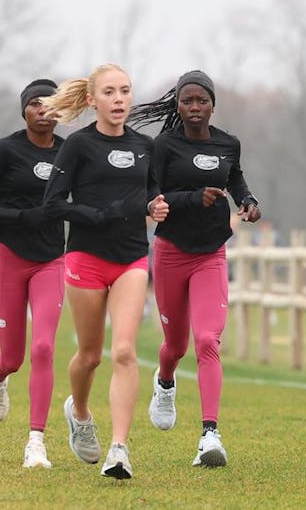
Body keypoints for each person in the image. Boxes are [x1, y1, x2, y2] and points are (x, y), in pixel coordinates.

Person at [40, 64, 168, 480]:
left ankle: (119, 449)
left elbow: (151, 192)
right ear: (92, 99)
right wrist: (99, 215)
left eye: (125, 91)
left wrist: (156, 205)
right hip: (86, 258)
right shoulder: (77, 145)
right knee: (90, 356)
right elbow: (53, 204)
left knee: (126, 352)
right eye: (110, 92)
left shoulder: (145, 146)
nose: (118, 99)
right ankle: (78, 411)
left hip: (131, 258)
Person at [129, 70, 261, 468]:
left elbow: (234, 177)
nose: (194, 107)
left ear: (212, 104)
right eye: (187, 101)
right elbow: (151, 193)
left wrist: (248, 199)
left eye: (201, 101)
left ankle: (209, 434)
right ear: (178, 105)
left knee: (207, 340)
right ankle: (165, 382)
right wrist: (190, 199)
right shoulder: (165, 145)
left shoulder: (228, 143)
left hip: (211, 253)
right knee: (176, 346)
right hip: (171, 252)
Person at [0, 78, 68, 469]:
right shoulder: (5, 150)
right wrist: (22, 216)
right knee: (15, 356)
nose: (42, 112)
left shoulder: (70, 152)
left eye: (50, 105)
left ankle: (36, 442)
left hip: (50, 259)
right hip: (8, 254)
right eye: (34, 105)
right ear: (23, 111)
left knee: (44, 347)